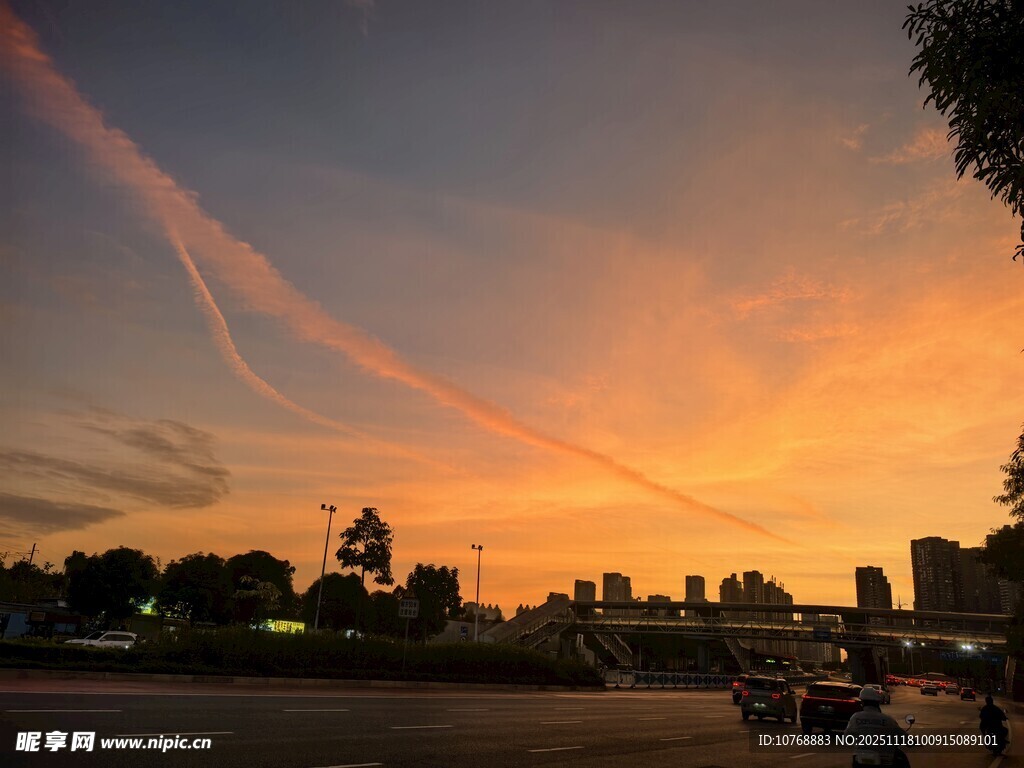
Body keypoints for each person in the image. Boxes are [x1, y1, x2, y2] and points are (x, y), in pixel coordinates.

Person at [844, 687, 910, 767]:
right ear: (878, 703)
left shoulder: (855, 718)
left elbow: (847, 737)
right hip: (885, 760)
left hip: (860, 759)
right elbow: (902, 736)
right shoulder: (888, 720)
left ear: (862, 702)